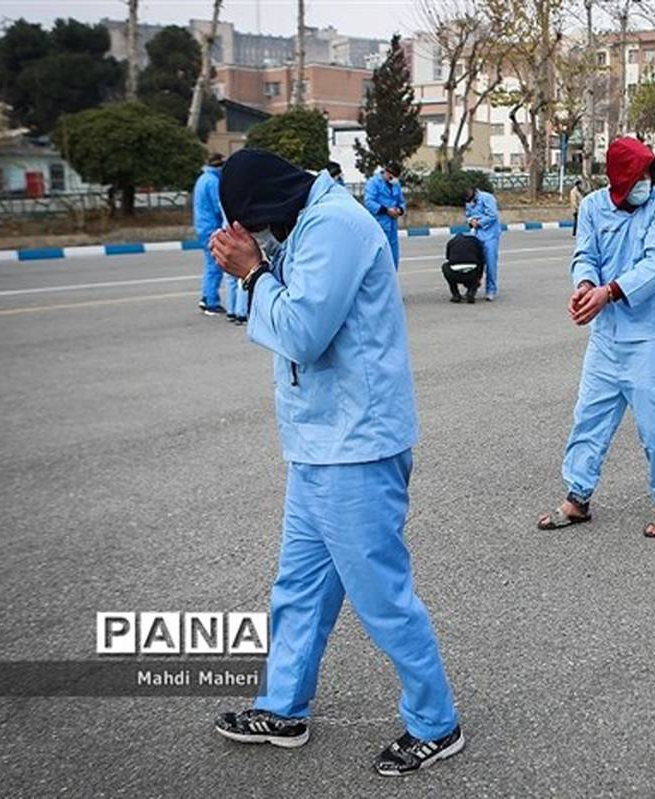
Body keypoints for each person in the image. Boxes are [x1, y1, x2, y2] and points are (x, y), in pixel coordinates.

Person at [206, 149, 463, 776]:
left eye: (251, 224)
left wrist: (251, 274)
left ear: (266, 208)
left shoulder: (335, 227)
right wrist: (260, 270)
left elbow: (301, 333)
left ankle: (437, 722)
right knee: (298, 587)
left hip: (358, 446)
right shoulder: (304, 223)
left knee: (381, 595)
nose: (254, 237)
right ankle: (283, 707)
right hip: (320, 441)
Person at [536, 136, 655, 539]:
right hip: (606, 336)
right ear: (618, 179)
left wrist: (611, 292)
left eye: (648, 175)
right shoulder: (591, 207)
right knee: (588, 417)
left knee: (653, 425)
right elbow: (585, 254)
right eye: (637, 177)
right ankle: (578, 497)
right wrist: (585, 285)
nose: (645, 183)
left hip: (647, 336)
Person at [193, 152, 226, 316]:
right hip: (211, 227)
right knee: (215, 266)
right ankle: (211, 302)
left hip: (202, 227)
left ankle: (206, 297)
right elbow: (219, 206)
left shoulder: (202, 179)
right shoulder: (213, 182)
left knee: (209, 265)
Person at [363, 163, 406, 269]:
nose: (394, 179)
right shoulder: (373, 183)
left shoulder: (396, 184)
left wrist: (399, 210)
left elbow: (401, 201)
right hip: (379, 224)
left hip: (392, 225)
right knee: (380, 258)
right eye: (392, 176)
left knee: (393, 257)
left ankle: (392, 281)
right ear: (387, 173)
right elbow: (369, 202)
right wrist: (386, 210)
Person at [465, 185, 502, 300]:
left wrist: (480, 222)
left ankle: (491, 290)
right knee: (475, 263)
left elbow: (493, 215)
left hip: (490, 235)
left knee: (490, 263)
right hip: (476, 234)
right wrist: (471, 221)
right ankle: (472, 287)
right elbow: (468, 214)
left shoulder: (487, 198)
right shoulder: (468, 200)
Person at [442, 232, 485, 304]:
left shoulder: (451, 242)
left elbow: (448, 258)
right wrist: (479, 278)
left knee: (445, 266)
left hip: (454, 274)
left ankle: (456, 295)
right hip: (471, 273)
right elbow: (481, 259)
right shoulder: (475, 242)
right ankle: (471, 292)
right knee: (478, 265)